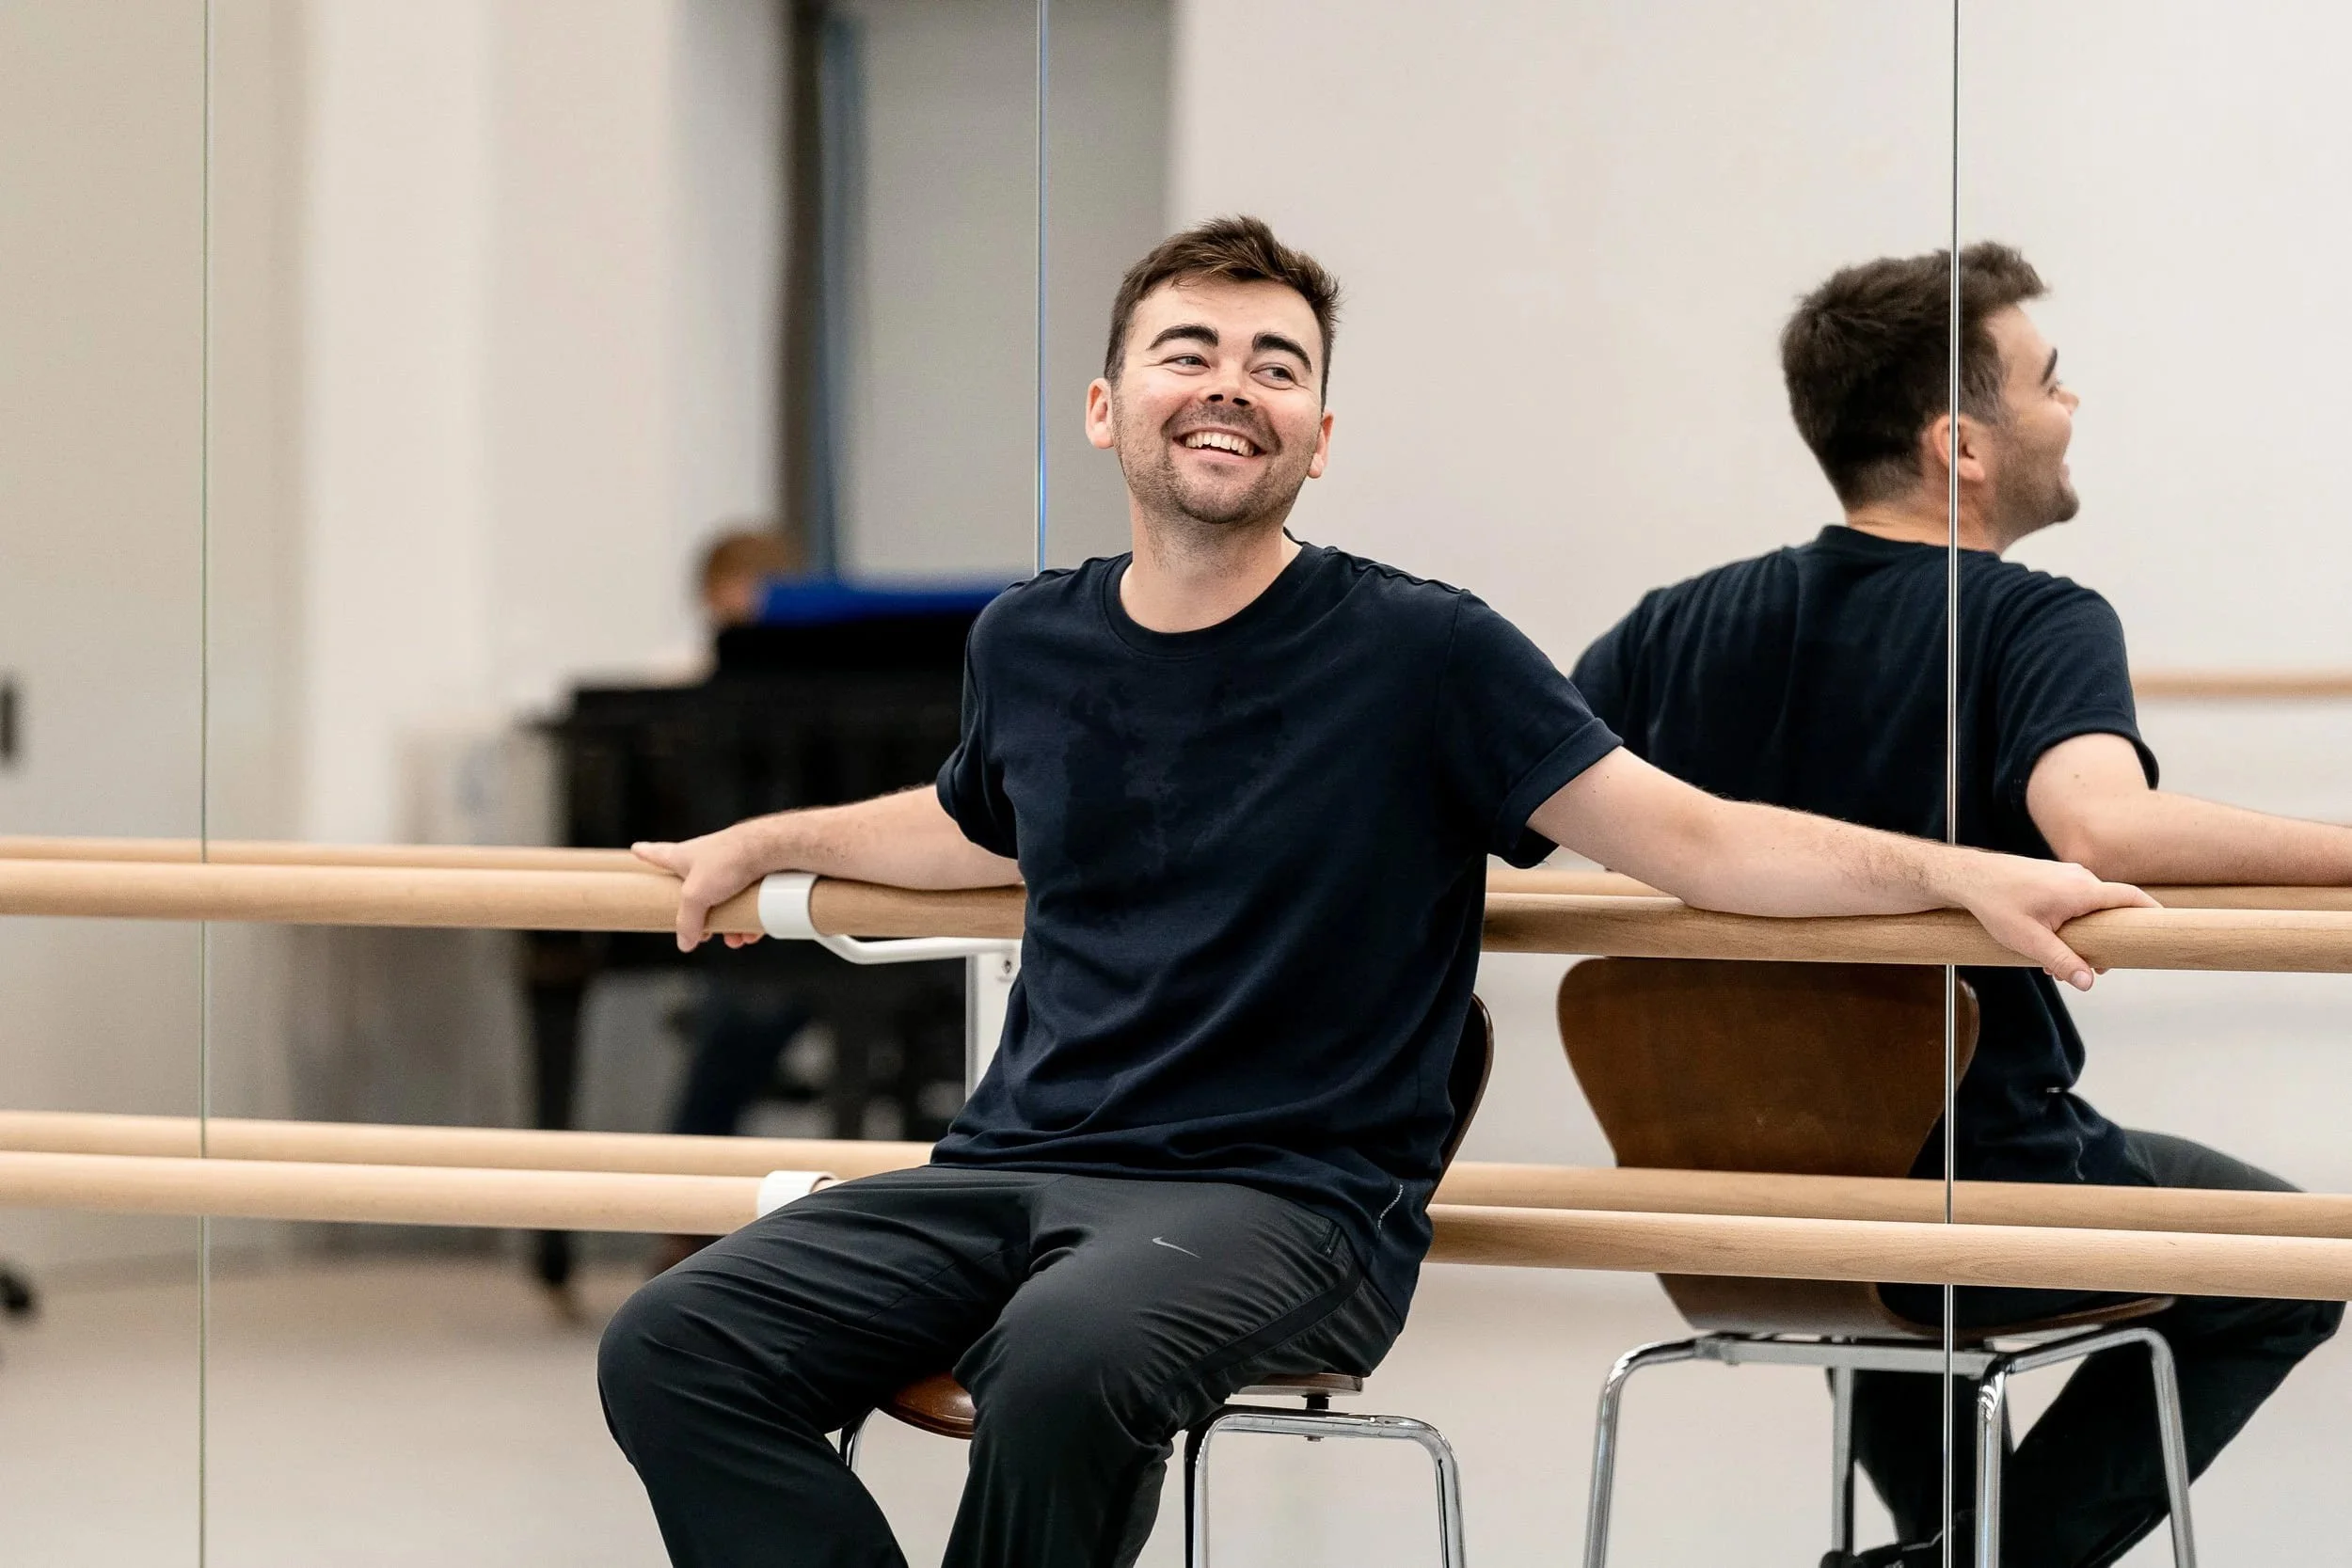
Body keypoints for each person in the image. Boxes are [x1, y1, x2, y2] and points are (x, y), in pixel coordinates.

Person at [597, 217, 2150, 1568]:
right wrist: (769, 839)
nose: (1231, 384)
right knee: (677, 1340)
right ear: (1105, 406)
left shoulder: (1426, 652)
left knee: (1072, 1357)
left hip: (1289, 1199)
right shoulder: (1031, 639)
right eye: (1188, 349)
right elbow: (979, 825)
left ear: (1319, 436)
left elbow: (1693, 839)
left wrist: (1962, 871)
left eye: (1277, 365)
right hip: (1016, 1165)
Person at [1570, 243, 2344, 1568]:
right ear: (1961, 448)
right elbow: (2101, 824)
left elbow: (1506, 816)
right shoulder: (2029, 621)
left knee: (1862, 1197)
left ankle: (1952, 1547)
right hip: (1971, 1188)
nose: (2072, 407)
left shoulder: (1670, 627)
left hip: (1744, 1204)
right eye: (2051, 381)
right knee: (2293, 1262)